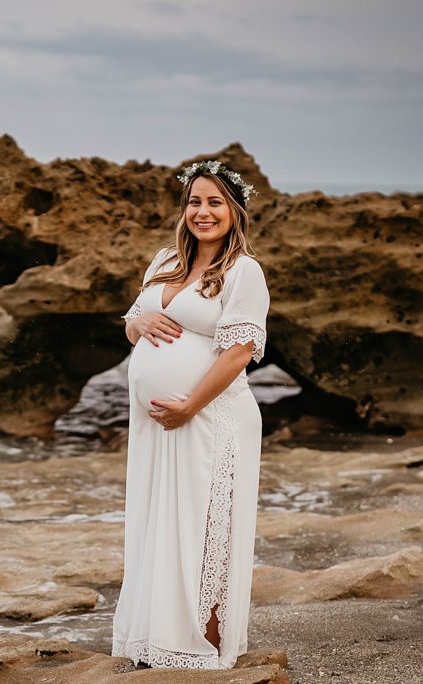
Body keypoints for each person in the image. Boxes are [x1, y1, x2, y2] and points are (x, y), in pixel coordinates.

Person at [110, 160, 270, 670]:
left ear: (234, 211)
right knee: (161, 523)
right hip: (160, 426)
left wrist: (189, 406)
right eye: (195, 202)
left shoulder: (244, 271)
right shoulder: (163, 261)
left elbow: (239, 352)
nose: (203, 212)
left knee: (206, 532)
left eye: (215, 202)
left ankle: (203, 646)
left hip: (211, 419)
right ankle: (159, 640)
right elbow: (134, 327)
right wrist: (140, 320)